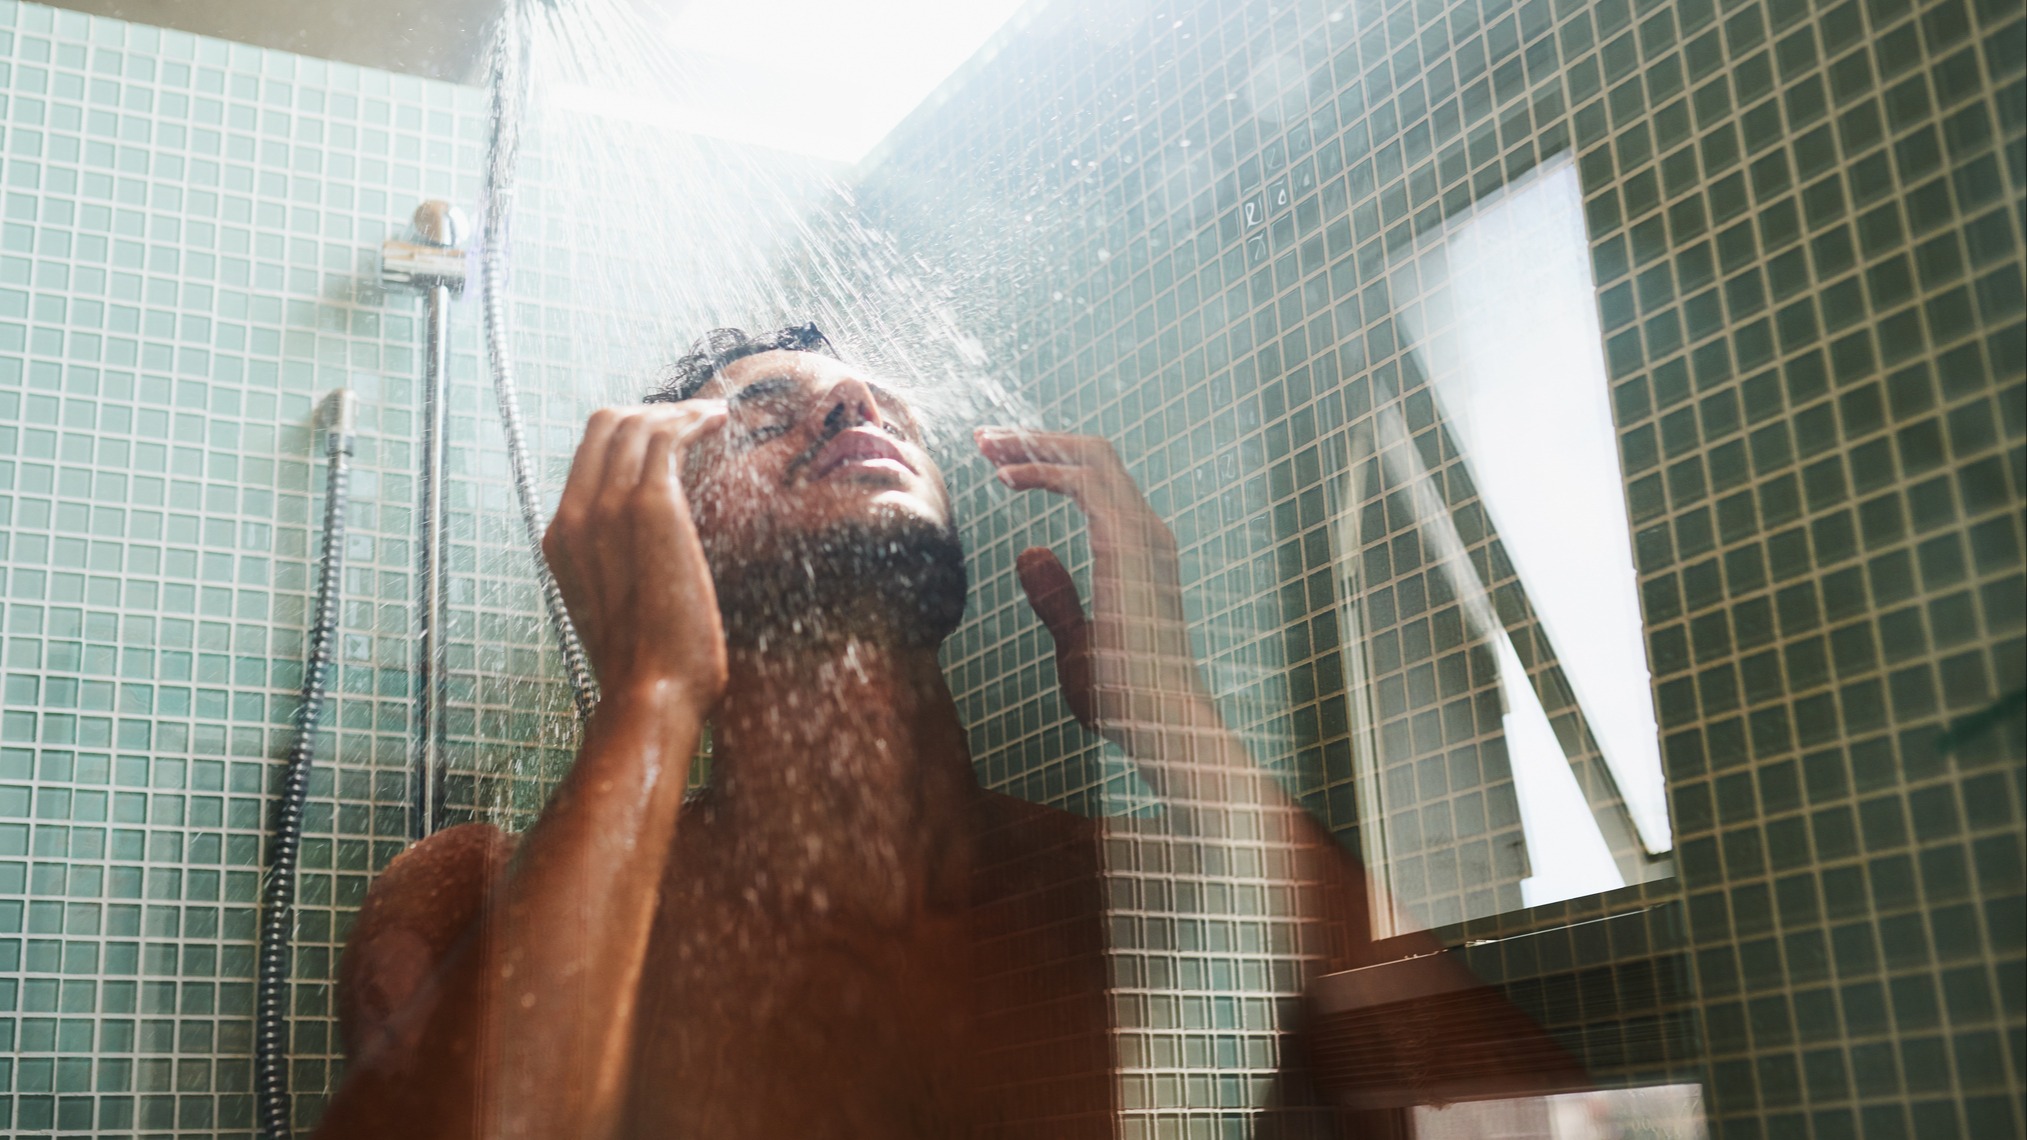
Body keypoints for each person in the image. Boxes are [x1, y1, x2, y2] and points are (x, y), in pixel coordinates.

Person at [313, 325, 1578, 1139]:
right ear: (660, 535)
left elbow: (1539, 1111)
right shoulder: (492, 898)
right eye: (759, 415)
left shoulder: (1158, 893)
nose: (849, 400)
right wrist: (649, 697)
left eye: (869, 398)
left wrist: (1170, 720)